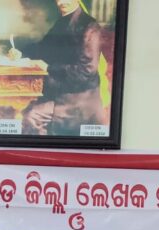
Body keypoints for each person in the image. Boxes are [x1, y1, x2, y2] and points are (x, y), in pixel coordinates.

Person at [7, 0, 106, 137]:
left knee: (30, 117)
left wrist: (49, 68)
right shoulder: (62, 22)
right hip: (59, 91)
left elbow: (86, 71)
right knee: (21, 110)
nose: (61, 2)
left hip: (79, 99)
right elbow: (43, 48)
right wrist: (20, 53)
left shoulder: (90, 27)